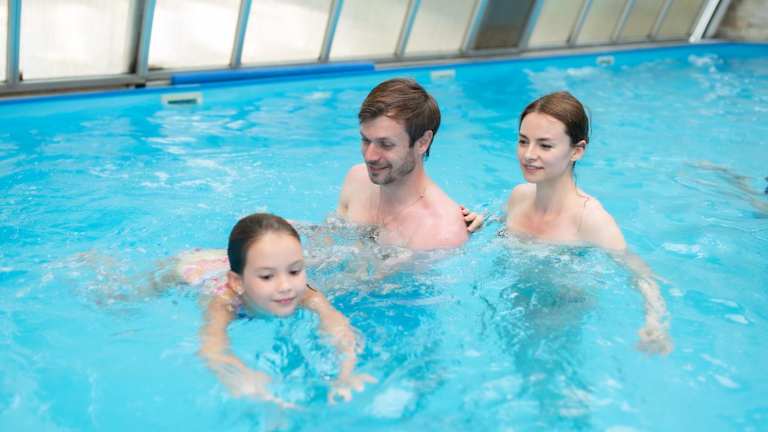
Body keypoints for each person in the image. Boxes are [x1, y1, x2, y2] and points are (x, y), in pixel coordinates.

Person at [498, 91, 672, 354]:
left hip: (560, 324)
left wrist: (654, 324)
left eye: (545, 146)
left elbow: (640, 274)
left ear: (577, 150)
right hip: (512, 309)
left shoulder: (590, 219)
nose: (528, 154)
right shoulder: (518, 197)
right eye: (523, 141)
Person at [180, 213, 375, 406]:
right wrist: (245, 378)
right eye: (267, 277)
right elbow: (212, 348)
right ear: (237, 282)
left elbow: (337, 326)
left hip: (247, 263)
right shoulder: (225, 302)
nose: (285, 286)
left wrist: (346, 373)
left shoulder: (307, 295)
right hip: (196, 268)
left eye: (294, 271)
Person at [338, 78, 480, 250]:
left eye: (386, 144)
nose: (369, 156)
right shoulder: (357, 179)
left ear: (423, 142)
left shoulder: (441, 233)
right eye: (366, 140)